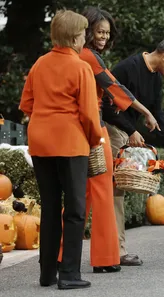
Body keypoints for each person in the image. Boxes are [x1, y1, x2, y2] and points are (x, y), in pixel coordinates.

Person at [59, 6, 158, 274]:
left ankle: (60, 256)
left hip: (74, 131)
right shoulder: (89, 57)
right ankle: (104, 258)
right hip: (94, 129)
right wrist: (145, 112)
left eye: (106, 32)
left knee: (85, 194)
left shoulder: (65, 58)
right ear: (85, 31)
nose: (103, 36)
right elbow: (115, 88)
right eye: (99, 31)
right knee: (102, 191)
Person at [19, 10, 102, 289]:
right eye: (83, 35)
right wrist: (94, 141)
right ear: (75, 37)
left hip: (40, 142)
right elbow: (90, 114)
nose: (85, 39)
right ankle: (69, 274)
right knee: (76, 209)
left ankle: (46, 274)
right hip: (70, 142)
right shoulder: (81, 67)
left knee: (51, 206)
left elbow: (27, 105)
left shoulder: (39, 64)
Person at [104, 38, 164, 265]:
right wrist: (131, 130)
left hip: (125, 132)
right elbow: (107, 108)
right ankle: (116, 252)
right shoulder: (127, 68)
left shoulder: (156, 77)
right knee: (114, 191)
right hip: (111, 130)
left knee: (116, 191)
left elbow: (157, 113)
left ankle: (114, 250)